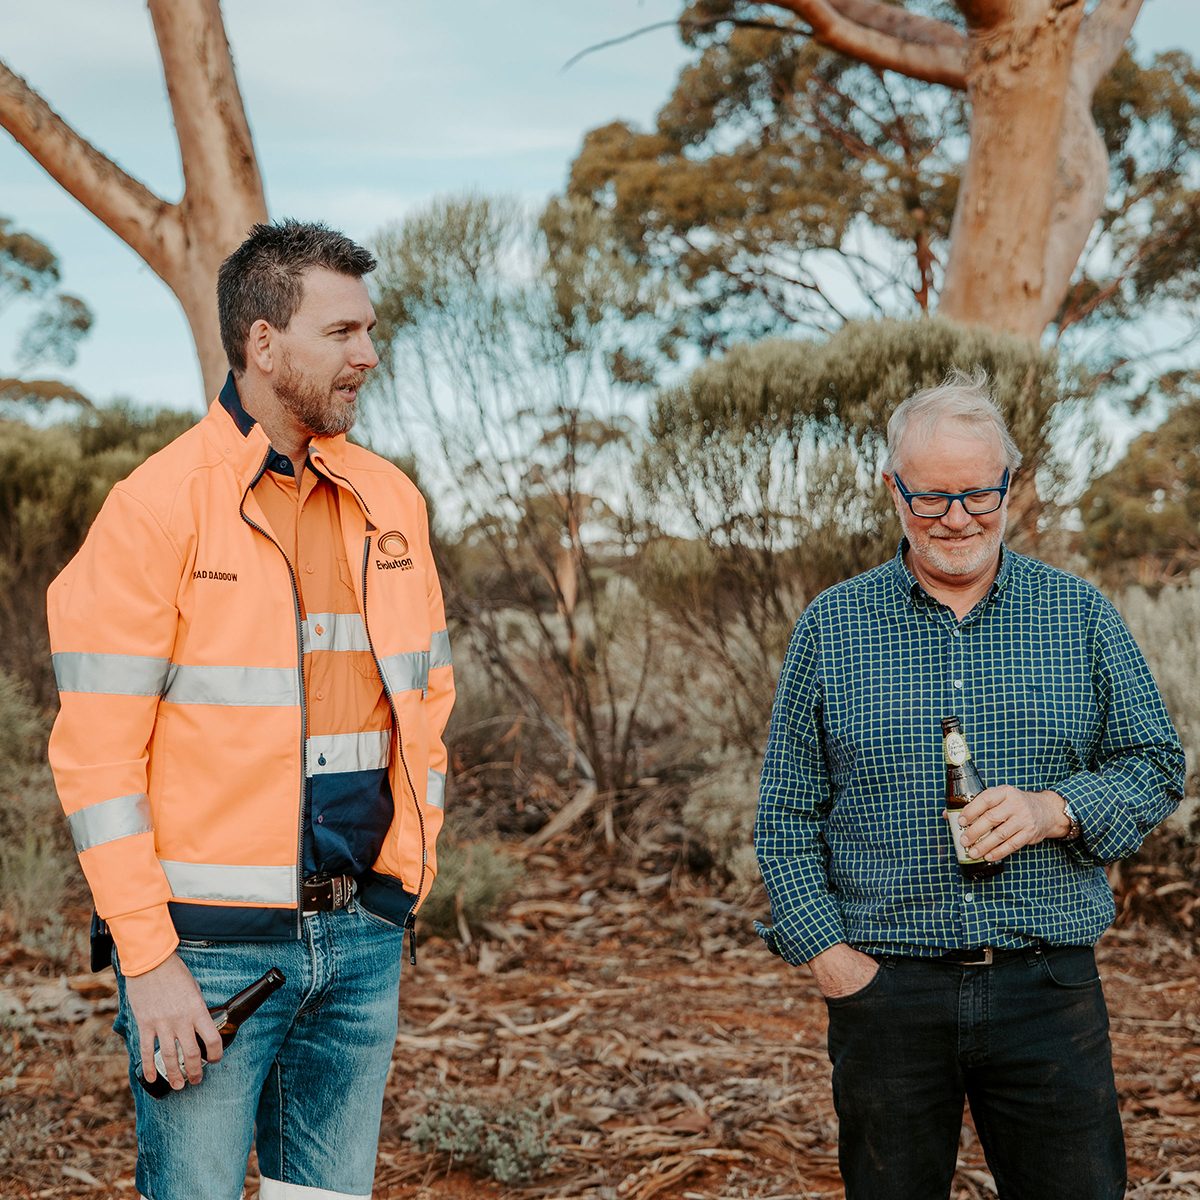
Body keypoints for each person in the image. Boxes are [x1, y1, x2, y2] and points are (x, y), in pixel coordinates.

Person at [47, 219, 454, 1200]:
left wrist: (402, 889)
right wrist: (149, 963)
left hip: (361, 943)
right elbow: (97, 761)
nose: (369, 354)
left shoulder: (392, 501)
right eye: (343, 332)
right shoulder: (156, 508)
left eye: (370, 330)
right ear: (263, 344)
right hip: (207, 961)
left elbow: (425, 702)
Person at [754, 371, 1184, 1200]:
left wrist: (1052, 810)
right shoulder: (832, 626)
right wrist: (835, 964)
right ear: (892, 490)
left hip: (1048, 990)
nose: (957, 518)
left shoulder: (1079, 615)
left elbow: (1157, 763)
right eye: (931, 497)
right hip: (887, 995)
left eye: (979, 493)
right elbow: (785, 815)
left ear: (1012, 486)